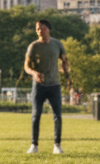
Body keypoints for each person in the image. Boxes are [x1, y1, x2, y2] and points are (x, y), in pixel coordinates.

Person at [24, 19, 70, 154]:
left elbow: (65, 60)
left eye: (42, 28)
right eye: (37, 28)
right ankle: (34, 145)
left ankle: (57, 145)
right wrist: (34, 73)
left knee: (57, 115)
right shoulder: (33, 46)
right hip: (39, 86)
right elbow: (26, 66)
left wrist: (67, 72)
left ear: (48, 29)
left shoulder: (57, 44)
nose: (39, 31)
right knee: (36, 114)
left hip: (54, 86)